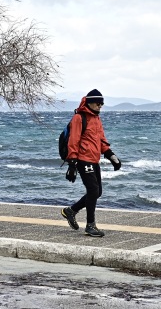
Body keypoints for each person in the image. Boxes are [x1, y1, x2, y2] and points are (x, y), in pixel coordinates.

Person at [61, 89, 122, 237]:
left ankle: (71, 211)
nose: (100, 106)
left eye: (102, 103)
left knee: (97, 192)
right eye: (98, 103)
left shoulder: (96, 118)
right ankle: (90, 225)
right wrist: (72, 164)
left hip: (94, 159)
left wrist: (111, 155)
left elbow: (101, 141)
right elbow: (73, 141)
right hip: (82, 159)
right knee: (93, 191)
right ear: (89, 103)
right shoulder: (79, 118)